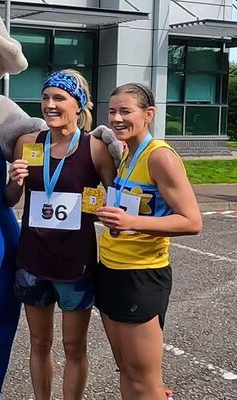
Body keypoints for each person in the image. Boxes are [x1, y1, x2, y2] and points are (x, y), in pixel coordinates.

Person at [6, 69, 116, 400]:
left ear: (78, 104)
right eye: (45, 98)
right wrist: (14, 180)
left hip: (75, 263)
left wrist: (104, 207)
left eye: (59, 98)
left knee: (73, 345)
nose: (50, 105)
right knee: (39, 342)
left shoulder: (95, 148)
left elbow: (115, 198)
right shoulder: (27, 143)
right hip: (32, 260)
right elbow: (11, 199)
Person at [95, 83, 202, 399]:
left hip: (141, 276)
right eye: (112, 111)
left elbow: (192, 220)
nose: (116, 118)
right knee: (125, 368)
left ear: (148, 114)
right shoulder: (126, 153)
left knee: (145, 380)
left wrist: (132, 222)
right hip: (110, 270)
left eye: (125, 111)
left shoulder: (160, 157)